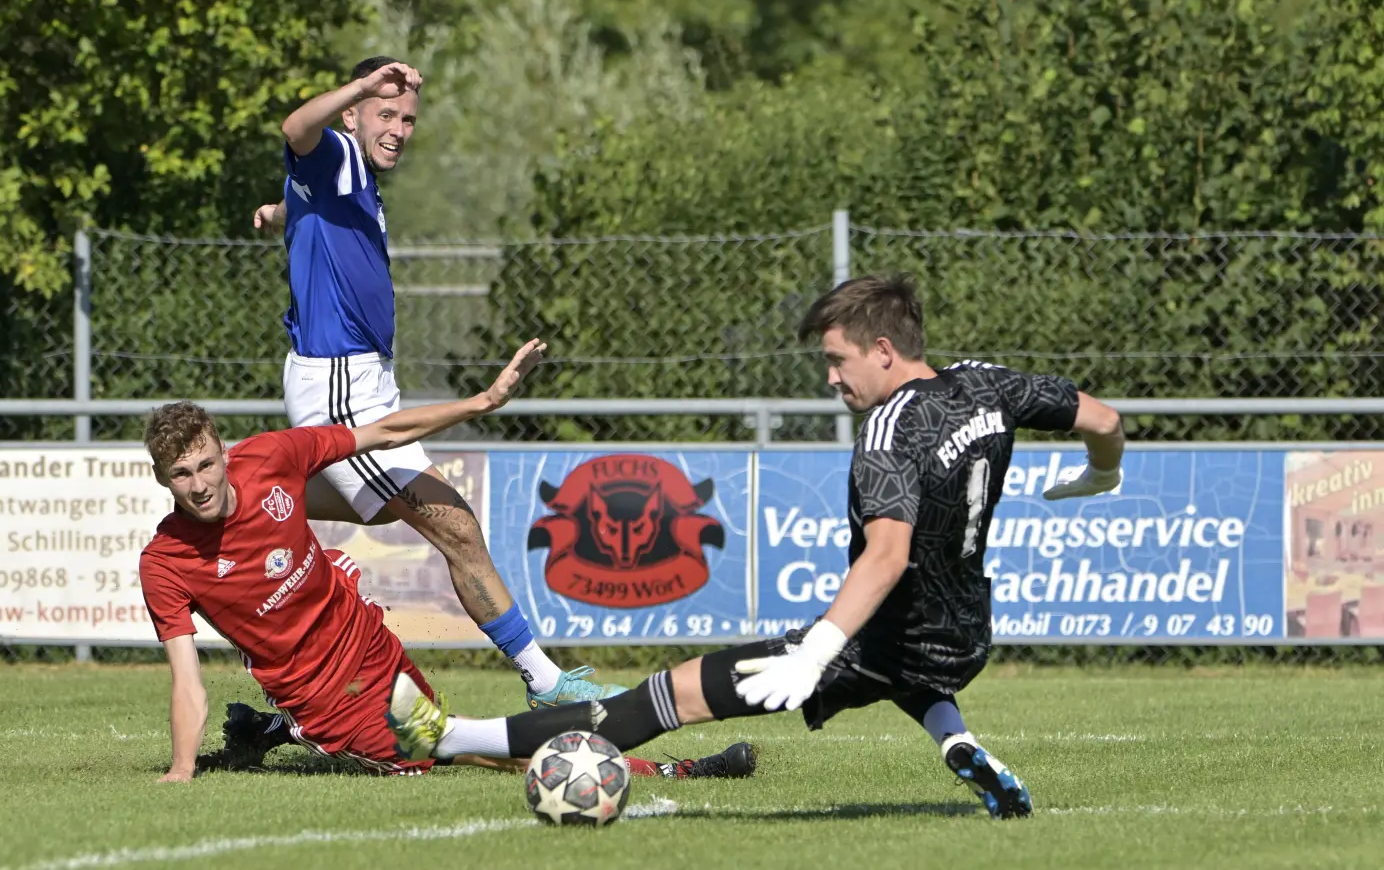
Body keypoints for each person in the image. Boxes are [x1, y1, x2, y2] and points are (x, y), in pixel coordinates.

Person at [386, 275, 1128, 818]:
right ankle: (957, 745)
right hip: (962, 635)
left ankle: (446, 736)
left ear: (883, 350)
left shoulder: (887, 433)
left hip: (874, 635)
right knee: (911, 670)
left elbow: (886, 555)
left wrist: (812, 653)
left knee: (663, 698)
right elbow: (1102, 416)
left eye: (838, 362)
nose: (832, 379)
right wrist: (1103, 474)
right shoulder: (985, 385)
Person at [140, 341, 752, 782]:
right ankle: (676, 770)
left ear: (225, 451)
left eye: (206, 464)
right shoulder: (166, 563)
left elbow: (382, 432)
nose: (199, 484)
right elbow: (187, 680)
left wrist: (482, 401)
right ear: (164, 479)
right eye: (181, 474)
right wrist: (182, 770)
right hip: (326, 699)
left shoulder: (272, 457)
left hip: (372, 645)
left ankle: (262, 730)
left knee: (453, 740)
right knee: (469, 745)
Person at [254, 54, 618, 710]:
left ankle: (232, 504)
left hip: (353, 379)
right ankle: (546, 683)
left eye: (408, 118)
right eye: (384, 113)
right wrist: (362, 86)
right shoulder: (335, 150)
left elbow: (315, 202)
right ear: (353, 113)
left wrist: (280, 213)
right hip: (341, 384)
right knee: (456, 526)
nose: (398, 127)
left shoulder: (350, 177)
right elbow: (294, 128)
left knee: (282, 502)